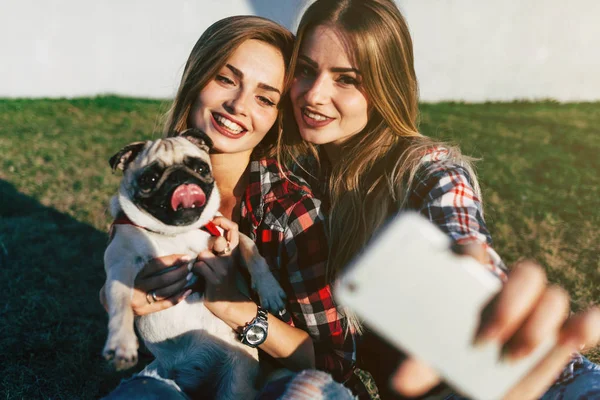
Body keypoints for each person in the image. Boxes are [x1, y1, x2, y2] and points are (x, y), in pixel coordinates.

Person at [262, 0, 600, 399]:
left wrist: (475, 274)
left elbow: (462, 232)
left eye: (346, 79)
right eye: (305, 70)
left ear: (386, 85)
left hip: (550, 385)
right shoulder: (300, 183)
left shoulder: (426, 171)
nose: (314, 94)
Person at [101, 15, 355, 399]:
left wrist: (238, 308)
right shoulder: (147, 191)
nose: (238, 104)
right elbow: (121, 272)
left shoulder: (292, 212)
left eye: (265, 97)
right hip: (171, 376)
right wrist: (121, 296)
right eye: (225, 79)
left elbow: (334, 360)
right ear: (196, 78)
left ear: (277, 116)